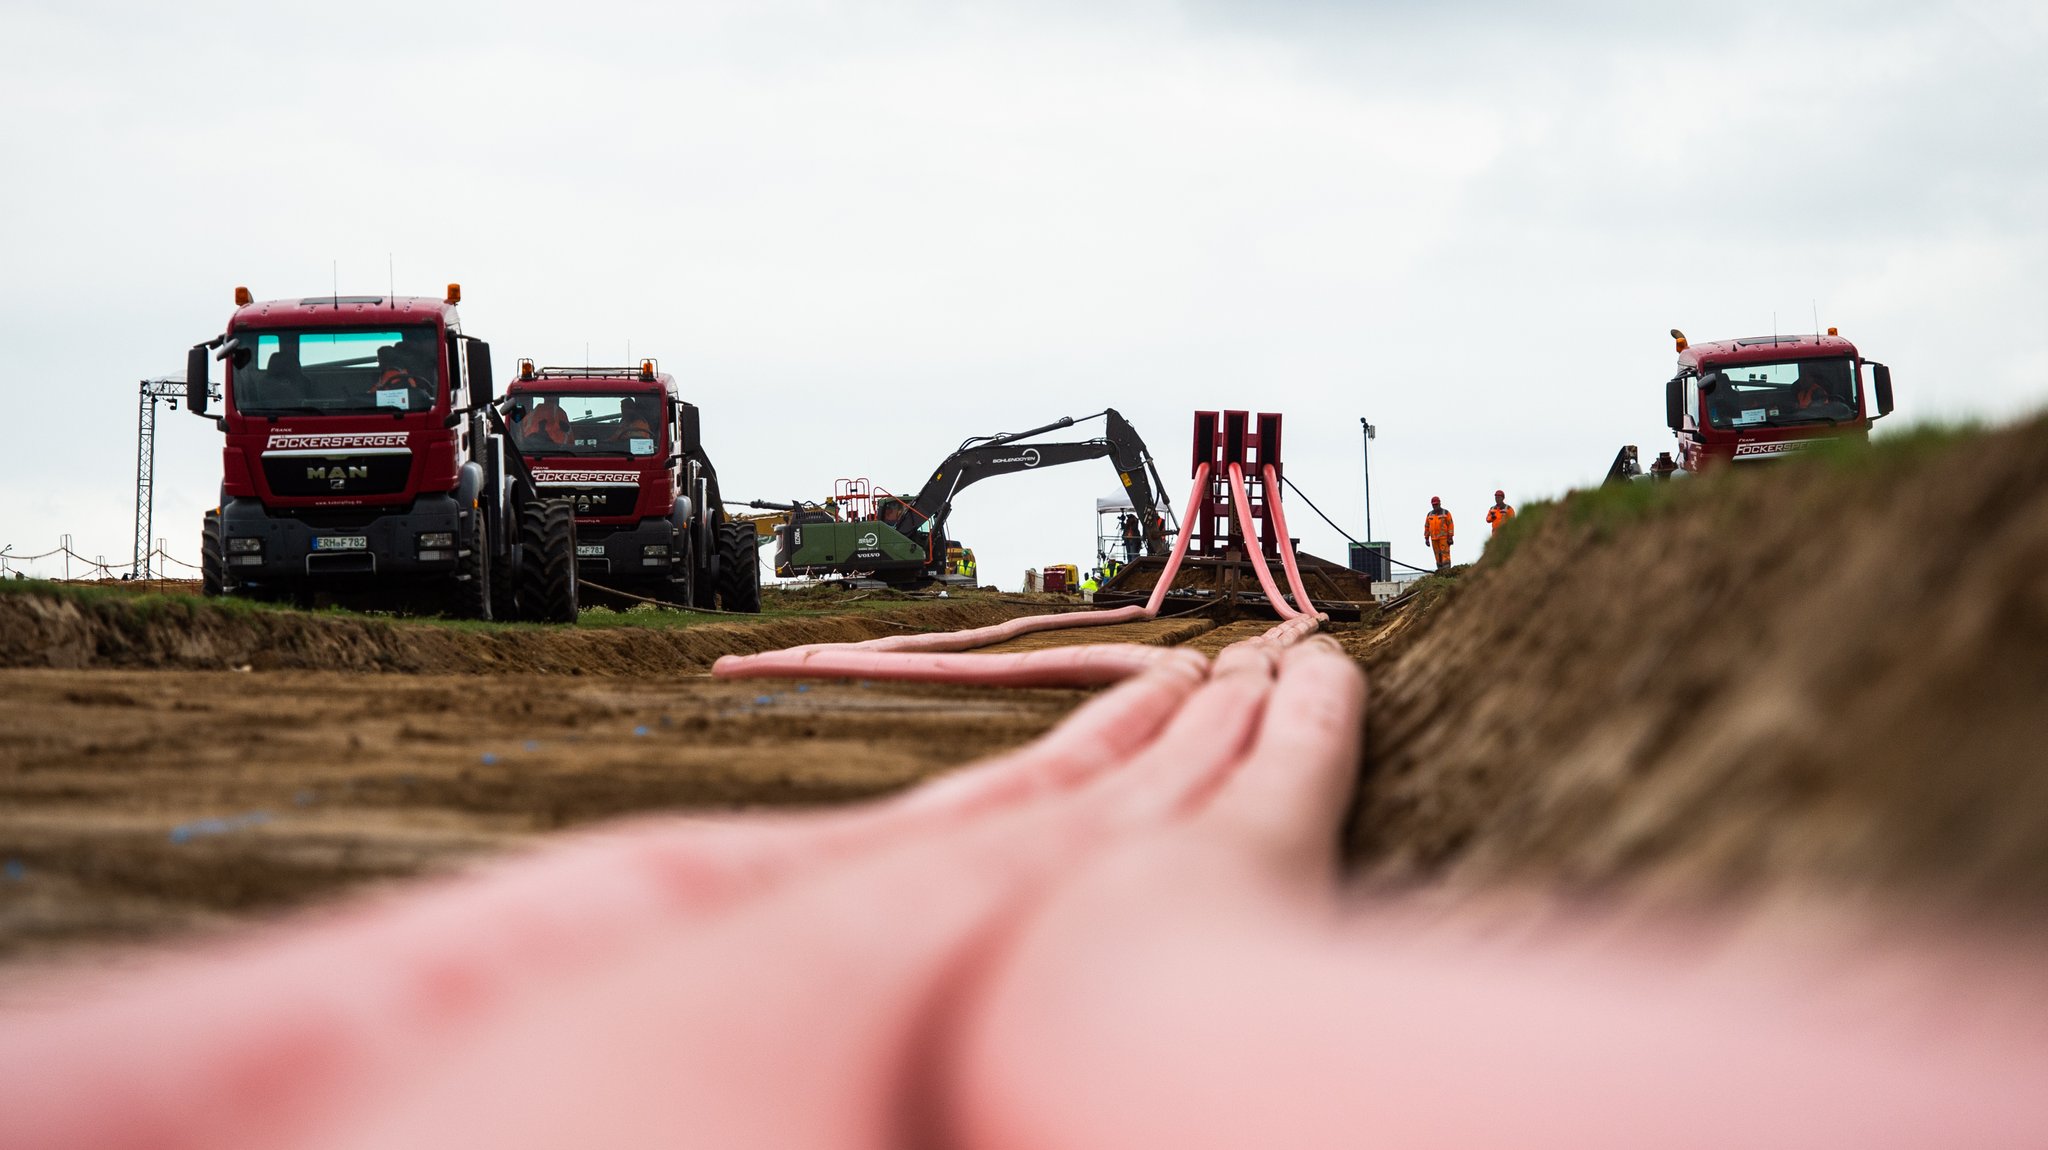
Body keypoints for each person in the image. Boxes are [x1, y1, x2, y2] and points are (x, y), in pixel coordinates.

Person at [1424, 496, 1455, 572]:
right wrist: (1426, 538)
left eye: (1436, 504)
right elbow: (1426, 526)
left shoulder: (1446, 513)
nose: (1435, 506)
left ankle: (1447, 571)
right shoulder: (1429, 515)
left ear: (1440, 503)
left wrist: (1450, 537)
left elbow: (1450, 525)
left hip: (1444, 538)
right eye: (1434, 505)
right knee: (1437, 556)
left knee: (1445, 555)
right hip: (1434, 539)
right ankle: (1440, 570)